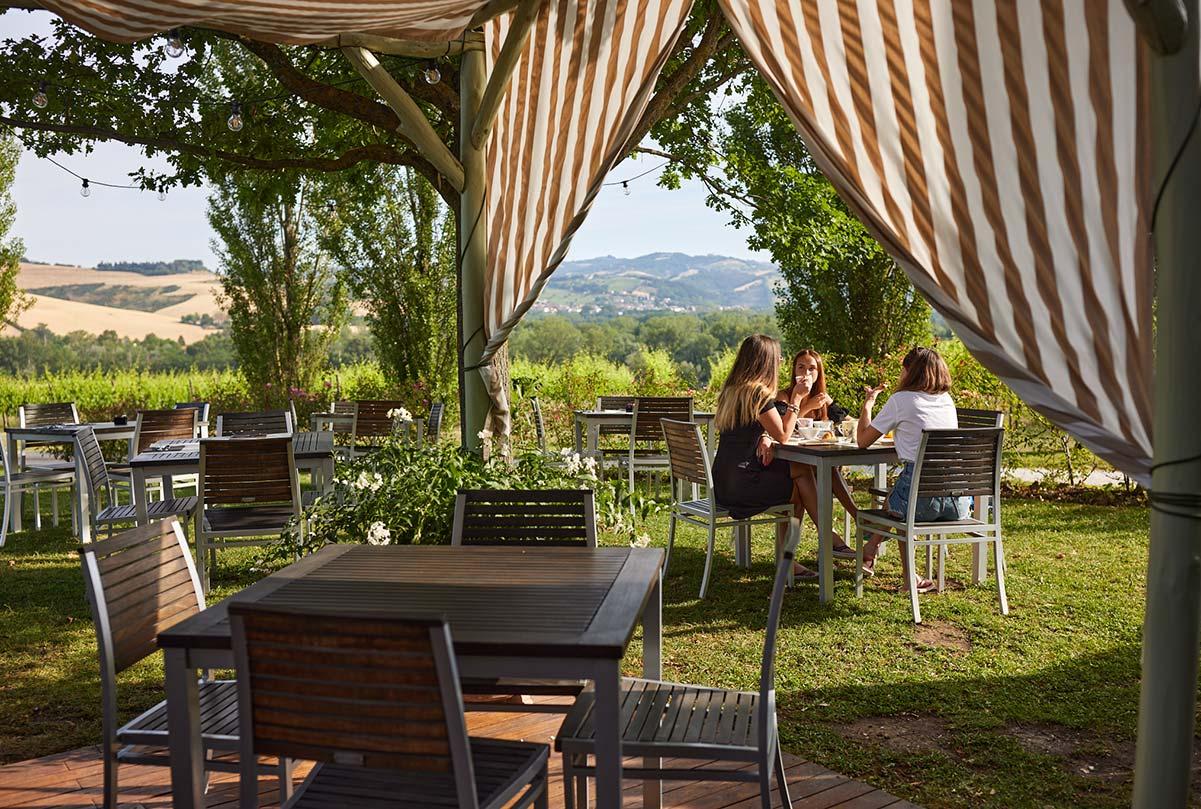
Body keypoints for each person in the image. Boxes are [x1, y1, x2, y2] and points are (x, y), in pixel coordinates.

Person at [856, 346, 969, 592]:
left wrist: (867, 405)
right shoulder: (947, 400)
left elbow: (862, 441)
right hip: (957, 503)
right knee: (899, 496)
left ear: (909, 372)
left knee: (899, 505)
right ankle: (872, 549)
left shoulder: (901, 400)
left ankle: (893, 566)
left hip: (921, 503)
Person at [712, 335, 822, 578]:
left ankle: (807, 551)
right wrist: (796, 398)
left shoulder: (731, 391)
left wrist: (763, 436)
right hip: (743, 486)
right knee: (800, 481)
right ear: (767, 361)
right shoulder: (758, 394)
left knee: (799, 479)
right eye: (779, 358)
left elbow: (755, 429)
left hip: (723, 483)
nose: (781, 362)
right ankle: (823, 542)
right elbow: (783, 435)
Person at [782, 349, 859, 558]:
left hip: (816, 464)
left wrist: (830, 403)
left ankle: (855, 520)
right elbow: (781, 430)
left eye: (812, 368)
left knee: (830, 469)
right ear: (794, 371)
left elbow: (850, 421)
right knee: (818, 472)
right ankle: (852, 524)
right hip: (788, 465)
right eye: (801, 367)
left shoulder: (822, 399)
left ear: (819, 373)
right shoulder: (784, 396)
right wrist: (806, 405)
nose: (806, 372)